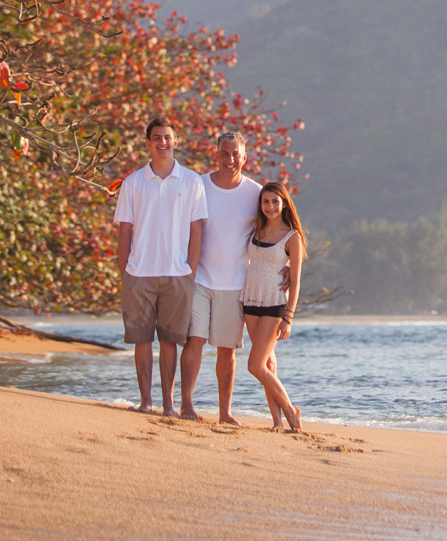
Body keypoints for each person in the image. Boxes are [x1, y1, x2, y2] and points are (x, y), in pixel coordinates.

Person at [115, 116, 208, 415]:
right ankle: (146, 402)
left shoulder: (193, 181)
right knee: (141, 340)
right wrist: (125, 273)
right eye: (157, 138)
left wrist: (190, 272)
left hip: (178, 274)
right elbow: (124, 230)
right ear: (148, 143)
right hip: (139, 273)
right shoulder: (132, 183)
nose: (163, 142)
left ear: (176, 141)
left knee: (170, 341)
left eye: (167, 137)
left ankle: (169, 404)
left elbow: (197, 231)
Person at [178, 131, 262, 423]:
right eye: (224, 154)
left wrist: (286, 266)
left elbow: (277, 231)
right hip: (198, 278)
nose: (230, 160)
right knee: (195, 340)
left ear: (245, 157)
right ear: (216, 155)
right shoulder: (198, 185)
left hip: (236, 282)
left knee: (227, 350)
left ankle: (225, 412)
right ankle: (187, 405)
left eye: (235, 154)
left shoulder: (255, 192)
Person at [241, 181, 306, 431]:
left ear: (284, 203)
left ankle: (291, 411)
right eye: (265, 201)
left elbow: (297, 281)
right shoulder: (255, 231)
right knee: (268, 364)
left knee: (254, 365)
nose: (270, 206)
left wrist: (289, 317)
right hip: (250, 302)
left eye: (275, 201)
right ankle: (277, 422)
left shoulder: (292, 237)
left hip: (274, 305)